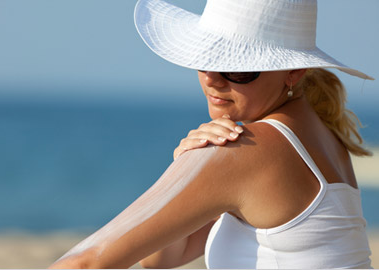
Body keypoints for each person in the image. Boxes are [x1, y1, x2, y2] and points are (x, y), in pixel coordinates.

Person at [49, 0, 374, 268]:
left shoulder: (246, 150)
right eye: (206, 57)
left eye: (237, 67)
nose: (213, 80)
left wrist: (201, 167)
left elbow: (86, 262)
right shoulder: (323, 136)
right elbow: (161, 258)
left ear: (294, 71)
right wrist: (185, 172)